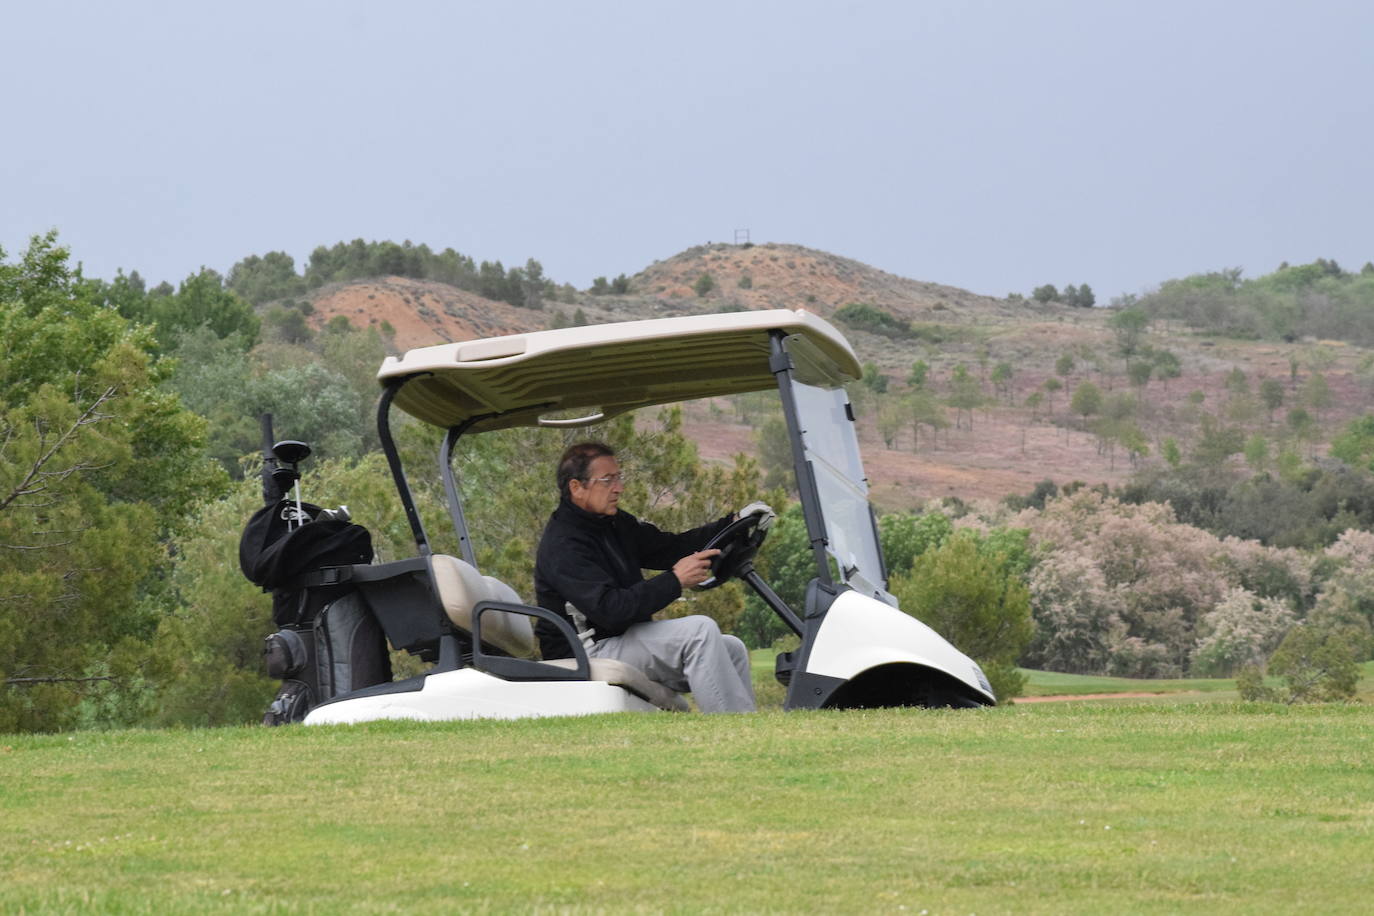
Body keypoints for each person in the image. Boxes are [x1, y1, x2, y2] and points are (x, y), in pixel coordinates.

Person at [533, 442, 772, 713]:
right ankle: (733, 734)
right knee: (700, 632)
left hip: (620, 639)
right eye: (607, 480)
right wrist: (675, 580)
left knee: (732, 648)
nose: (619, 487)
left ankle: (747, 726)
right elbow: (611, 610)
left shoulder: (611, 524)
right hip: (586, 650)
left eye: (619, 477)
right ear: (577, 487)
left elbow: (670, 547)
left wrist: (733, 522)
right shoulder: (564, 544)